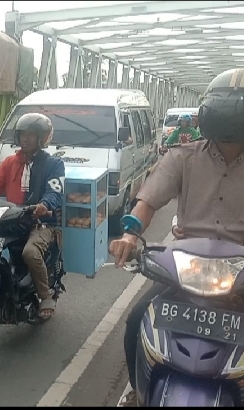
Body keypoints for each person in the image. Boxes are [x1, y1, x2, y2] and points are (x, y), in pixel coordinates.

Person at [109, 68, 244, 405]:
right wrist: (130, 234)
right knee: (137, 320)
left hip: (240, 275)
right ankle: (138, 391)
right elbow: (148, 199)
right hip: (187, 270)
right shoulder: (183, 156)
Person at [0, 113, 65, 319]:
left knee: (30, 253)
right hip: (11, 219)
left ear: (42, 138)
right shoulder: (9, 163)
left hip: (39, 222)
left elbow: (55, 191)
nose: (26, 139)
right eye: (23, 134)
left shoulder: (54, 164)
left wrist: (44, 205)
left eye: (31, 135)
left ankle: (45, 296)